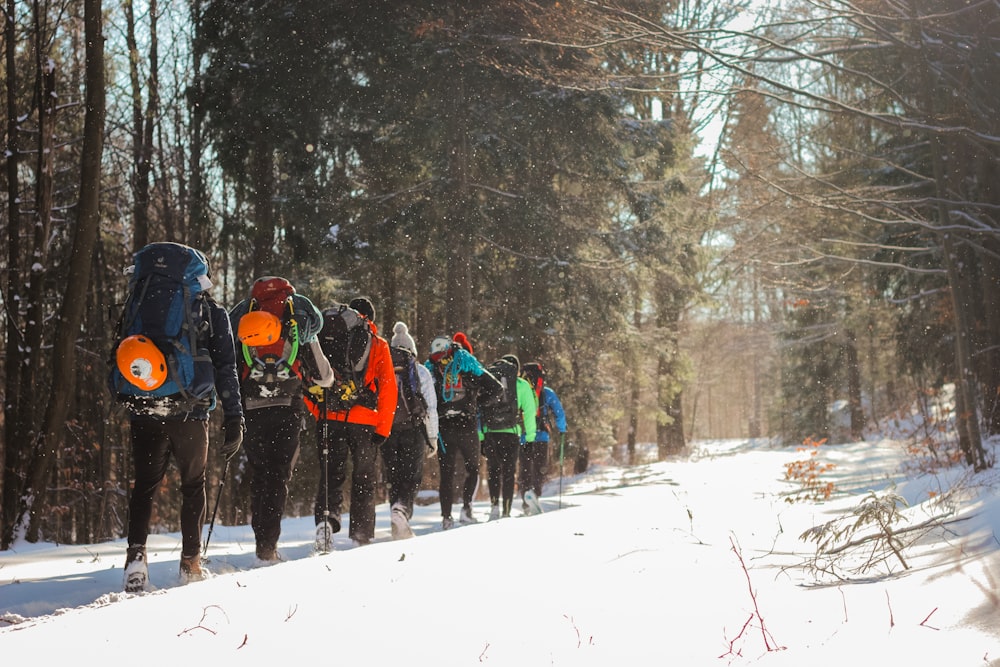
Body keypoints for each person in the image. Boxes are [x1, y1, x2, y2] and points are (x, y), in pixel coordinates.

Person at [116, 244, 244, 592]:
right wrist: (234, 417)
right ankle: (190, 563)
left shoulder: (138, 302)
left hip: (143, 404)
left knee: (144, 487)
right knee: (193, 485)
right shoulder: (211, 312)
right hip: (189, 410)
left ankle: (135, 561)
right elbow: (226, 367)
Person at [229, 277, 334, 563]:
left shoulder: (245, 320)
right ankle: (268, 545)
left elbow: (231, 365)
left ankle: (261, 539)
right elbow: (324, 377)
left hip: (252, 407)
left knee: (260, 474)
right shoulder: (298, 323)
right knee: (278, 477)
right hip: (287, 408)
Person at [306, 296, 397, 549]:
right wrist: (383, 427)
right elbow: (389, 389)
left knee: (330, 474)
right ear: (370, 318)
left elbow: (308, 376)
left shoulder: (326, 336)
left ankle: (326, 521)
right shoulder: (377, 343)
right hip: (365, 421)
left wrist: (319, 411)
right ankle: (361, 533)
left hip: (329, 416)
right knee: (363, 477)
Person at [426, 332, 503, 529]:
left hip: (445, 427)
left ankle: (446, 517)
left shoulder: (431, 369)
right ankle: (466, 509)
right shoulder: (468, 364)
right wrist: (476, 404)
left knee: (447, 473)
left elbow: (424, 397)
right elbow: (496, 388)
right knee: (472, 469)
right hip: (466, 424)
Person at [382, 321, 439, 539]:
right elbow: (431, 408)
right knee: (411, 476)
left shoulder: (384, 367)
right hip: (413, 429)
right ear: (412, 349)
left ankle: (396, 518)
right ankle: (403, 510)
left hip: (388, 430)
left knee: (394, 476)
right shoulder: (420, 371)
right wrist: (432, 438)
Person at [480, 354, 537, 520]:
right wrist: (530, 438)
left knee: (493, 471)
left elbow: (481, 409)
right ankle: (506, 509)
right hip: (511, 433)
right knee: (509, 472)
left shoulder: (490, 380)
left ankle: (494, 507)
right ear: (516, 370)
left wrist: (481, 435)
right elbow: (529, 412)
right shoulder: (521, 385)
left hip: (490, 432)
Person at [519, 361, 567, 515]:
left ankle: (526, 499)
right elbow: (559, 412)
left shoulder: (520, 389)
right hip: (541, 436)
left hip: (524, 436)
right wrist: (562, 429)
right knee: (540, 468)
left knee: (525, 468)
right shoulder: (547, 393)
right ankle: (535, 494)